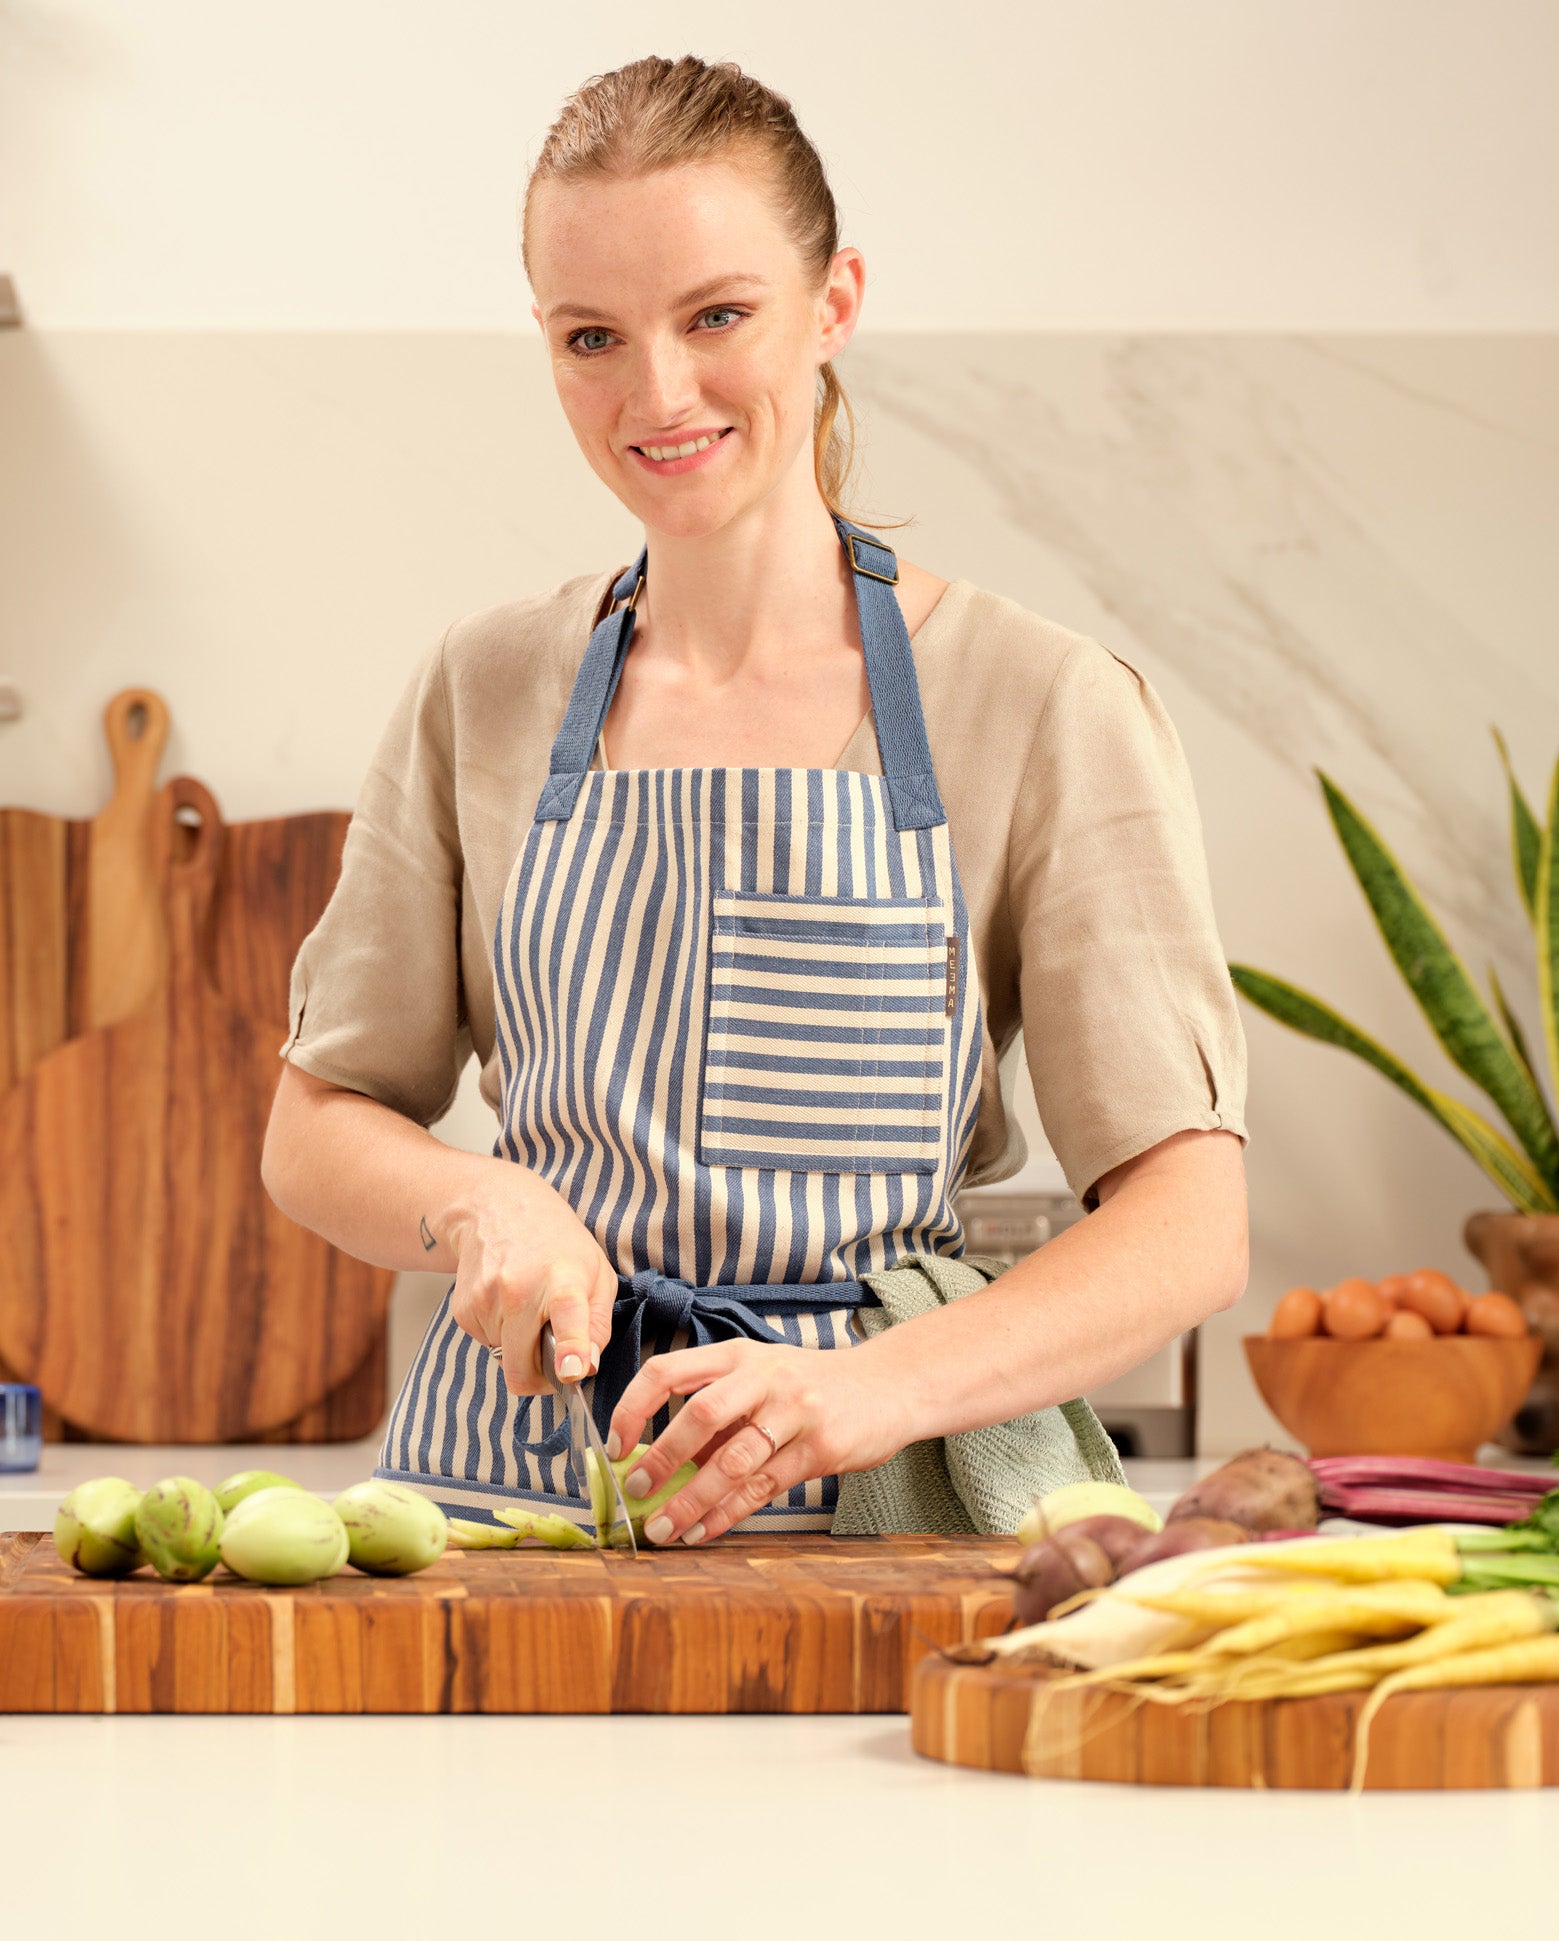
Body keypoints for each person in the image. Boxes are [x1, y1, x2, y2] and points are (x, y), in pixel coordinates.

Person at [262, 54, 1250, 1548]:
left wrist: (867, 1389)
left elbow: (1188, 1224)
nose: (657, 394)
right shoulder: (484, 686)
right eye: (591, 336)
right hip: (506, 1518)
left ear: (835, 300)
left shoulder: (1039, 702)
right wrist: (482, 1202)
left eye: (717, 315)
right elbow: (316, 1122)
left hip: (885, 1513)